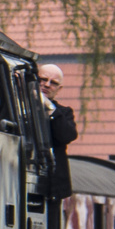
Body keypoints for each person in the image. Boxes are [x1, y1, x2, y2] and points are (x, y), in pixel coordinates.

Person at [39, 63, 78, 198]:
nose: (47, 85)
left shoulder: (64, 113)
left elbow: (67, 135)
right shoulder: (17, 108)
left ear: (59, 89)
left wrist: (49, 107)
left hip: (52, 187)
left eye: (53, 83)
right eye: (43, 79)